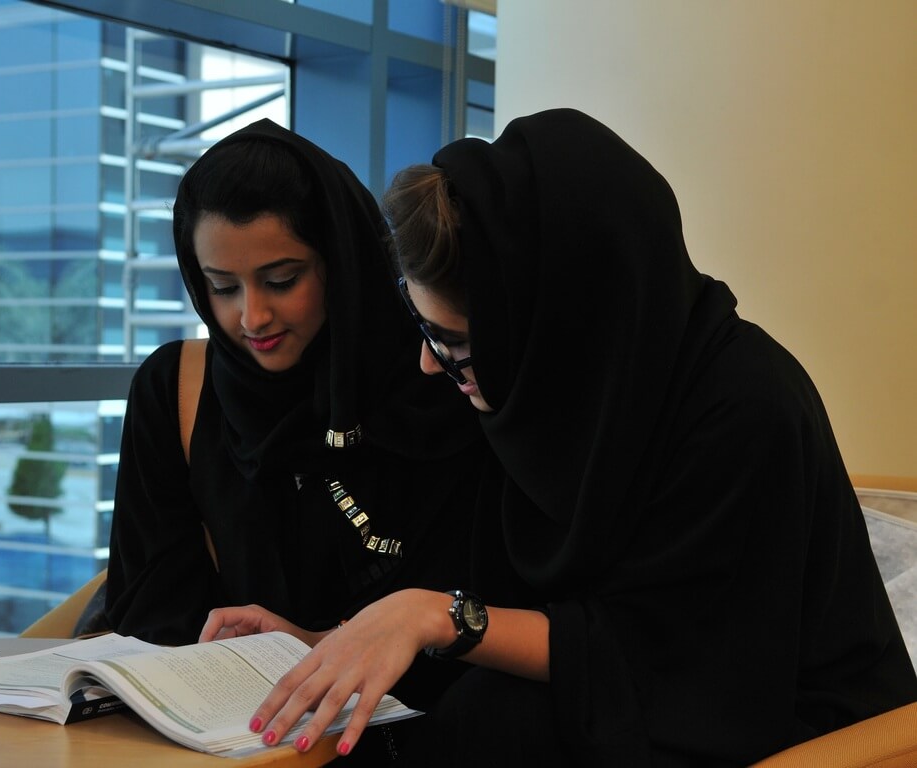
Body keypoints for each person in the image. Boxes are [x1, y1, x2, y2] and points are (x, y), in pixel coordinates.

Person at [209, 108, 917, 765]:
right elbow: (514, 620)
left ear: (556, 324)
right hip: (627, 699)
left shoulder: (745, 409)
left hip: (795, 733)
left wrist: (439, 616)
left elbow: (682, 660)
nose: (428, 363)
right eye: (423, 329)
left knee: (495, 724)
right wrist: (329, 648)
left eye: (453, 342)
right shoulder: (552, 405)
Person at [104, 118, 486, 763]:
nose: (252, 317)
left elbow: (475, 613)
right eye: (221, 287)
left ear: (340, 261)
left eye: (282, 280)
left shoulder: (441, 383)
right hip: (233, 743)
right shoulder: (177, 390)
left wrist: (317, 645)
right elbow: (149, 614)